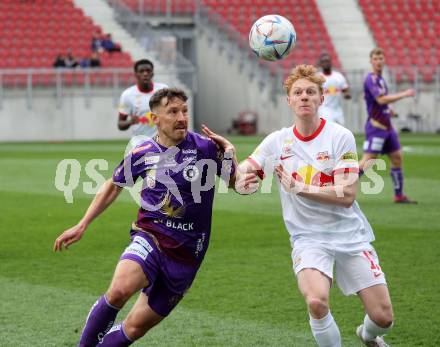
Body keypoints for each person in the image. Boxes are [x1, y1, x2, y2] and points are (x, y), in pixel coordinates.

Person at [53, 88, 238, 346]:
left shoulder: (205, 147)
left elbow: (238, 184)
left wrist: (229, 153)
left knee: (134, 328)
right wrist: (82, 224)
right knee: (119, 290)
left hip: (187, 255)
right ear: (155, 119)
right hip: (151, 237)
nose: (182, 117)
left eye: (184, 110)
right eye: (173, 112)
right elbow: (114, 184)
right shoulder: (143, 152)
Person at [235, 65, 394, 347]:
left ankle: (367, 336)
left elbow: (347, 195)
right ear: (289, 100)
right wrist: (238, 174)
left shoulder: (339, 136)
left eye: (311, 92)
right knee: (317, 302)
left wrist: (300, 188)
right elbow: (248, 170)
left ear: (322, 98)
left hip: (349, 235)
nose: (304, 97)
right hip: (308, 238)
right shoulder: (277, 141)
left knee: (383, 318)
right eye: (298, 92)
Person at [360, 47, 416, 204]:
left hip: (388, 127)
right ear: (371, 61)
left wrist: (388, 111)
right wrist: (404, 94)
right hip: (376, 127)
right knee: (368, 162)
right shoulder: (370, 79)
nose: (378, 61)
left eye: (380, 58)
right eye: (375, 59)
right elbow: (380, 100)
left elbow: (381, 104)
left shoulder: (381, 79)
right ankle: (342, 187)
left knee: (397, 157)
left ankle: (399, 195)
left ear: (384, 60)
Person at [118, 59, 168, 149]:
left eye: (148, 71)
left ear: (152, 74)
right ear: (136, 75)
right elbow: (120, 124)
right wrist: (130, 121)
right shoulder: (127, 95)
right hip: (139, 145)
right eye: (141, 71)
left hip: (161, 143)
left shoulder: (164, 90)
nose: (145, 74)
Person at [317, 52, 351, 125]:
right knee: (329, 129)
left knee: (341, 131)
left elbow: (345, 89)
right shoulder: (318, 78)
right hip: (325, 109)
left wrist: (347, 94)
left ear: (331, 62)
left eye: (327, 61)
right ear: (320, 64)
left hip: (338, 109)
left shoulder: (338, 76)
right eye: (323, 61)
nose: (326, 63)